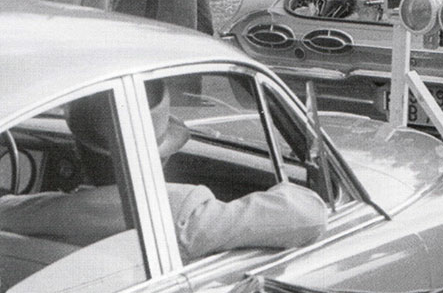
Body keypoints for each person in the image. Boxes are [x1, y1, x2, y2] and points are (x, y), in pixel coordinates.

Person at [0, 85, 328, 262]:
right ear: (163, 156)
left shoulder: (31, 213)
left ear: (78, 149)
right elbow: (308, 215)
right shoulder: (183, 212)